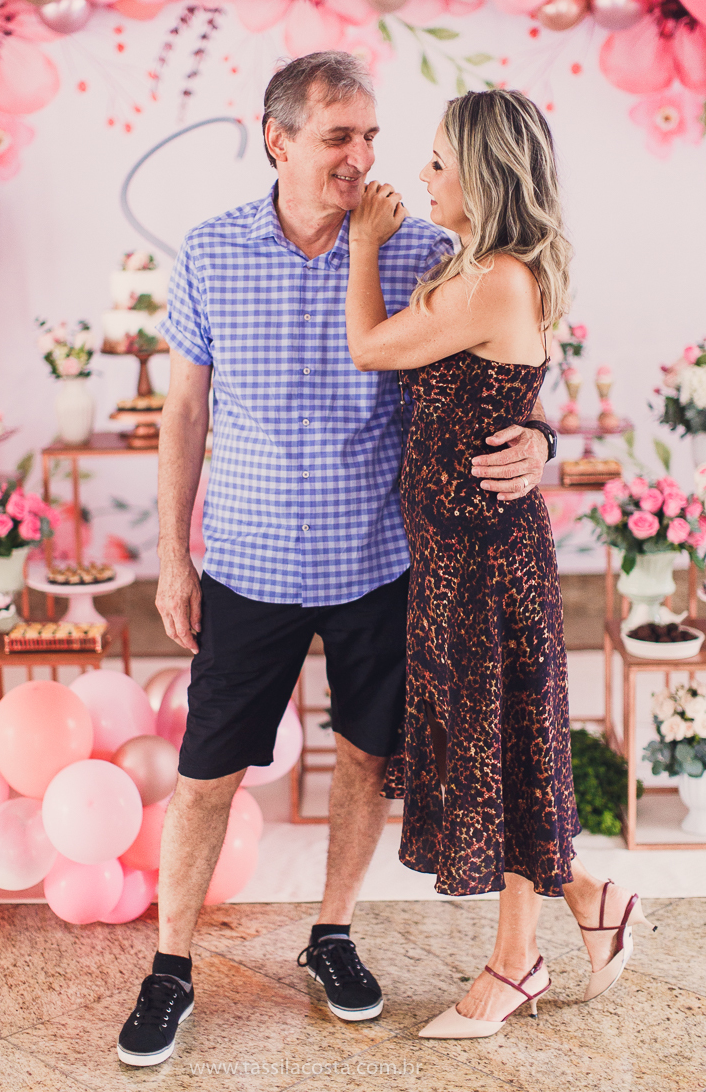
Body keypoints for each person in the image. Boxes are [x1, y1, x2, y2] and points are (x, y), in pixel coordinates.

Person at [117, 55, 552, 1069]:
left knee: (362, 759)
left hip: (381, 564)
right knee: (206, 777)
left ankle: (333, 934)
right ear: (278, 141)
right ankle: (170, 966)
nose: (361, 158)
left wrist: (544, 442)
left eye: (370, 137)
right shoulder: (211, 252)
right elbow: (183, 410)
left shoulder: (422, 252)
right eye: (336, 138)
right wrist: (172, 555)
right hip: (248, 564)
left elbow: (512, 366)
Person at [344, 88, 654, 1041]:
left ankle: (516, 963)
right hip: (449, 559)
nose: (423, 174)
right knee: (501, 751)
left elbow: (369, 348)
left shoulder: (498, 279)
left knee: (505, 754)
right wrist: (543, 436)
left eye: (439, 160)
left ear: (482, 176)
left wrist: (361, 242)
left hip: (485, 563)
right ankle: (596, 905)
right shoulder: (464, 266)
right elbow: (500, 391)